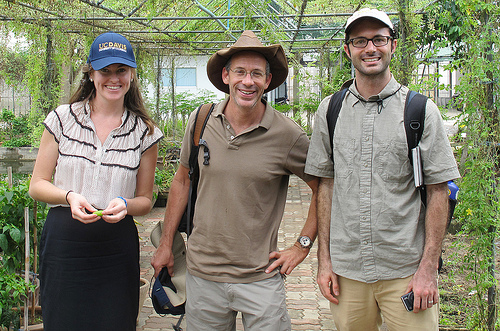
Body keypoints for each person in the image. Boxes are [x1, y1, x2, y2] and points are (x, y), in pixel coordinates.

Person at [305, 8, 461, 331]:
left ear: (392, 45)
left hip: (405, 270)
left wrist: (428, 267)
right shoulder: (330, 111)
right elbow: (326, 187)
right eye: (360, 41)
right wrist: (324, 261)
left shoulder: (419, 111)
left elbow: (438, 191)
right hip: (348, 272)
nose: (370, 48)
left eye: (379, 39)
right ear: (347, 49)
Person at [151, 30, 318, 331]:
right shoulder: (200, 121)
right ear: (226, 76)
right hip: (203, 277)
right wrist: (166, 243)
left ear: (268, 81)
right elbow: (182, 182)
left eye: (256, 73)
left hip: (260, 278)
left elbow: (323, 188)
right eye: (240, 72)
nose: (247, 81)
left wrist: (301, 245)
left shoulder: (288, 136)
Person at [29, 32, 163, 331]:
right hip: (64, 243)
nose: (113, 79)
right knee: (62, 320)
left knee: (115, 321)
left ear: (132, 75)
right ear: (90, 73)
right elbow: (37, 184)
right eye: (105, 71)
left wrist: (126, 205)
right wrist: (69, 196)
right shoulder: (62, 119)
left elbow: (145, 200)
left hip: (115, 247)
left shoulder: (145, 133)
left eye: (121, 71)